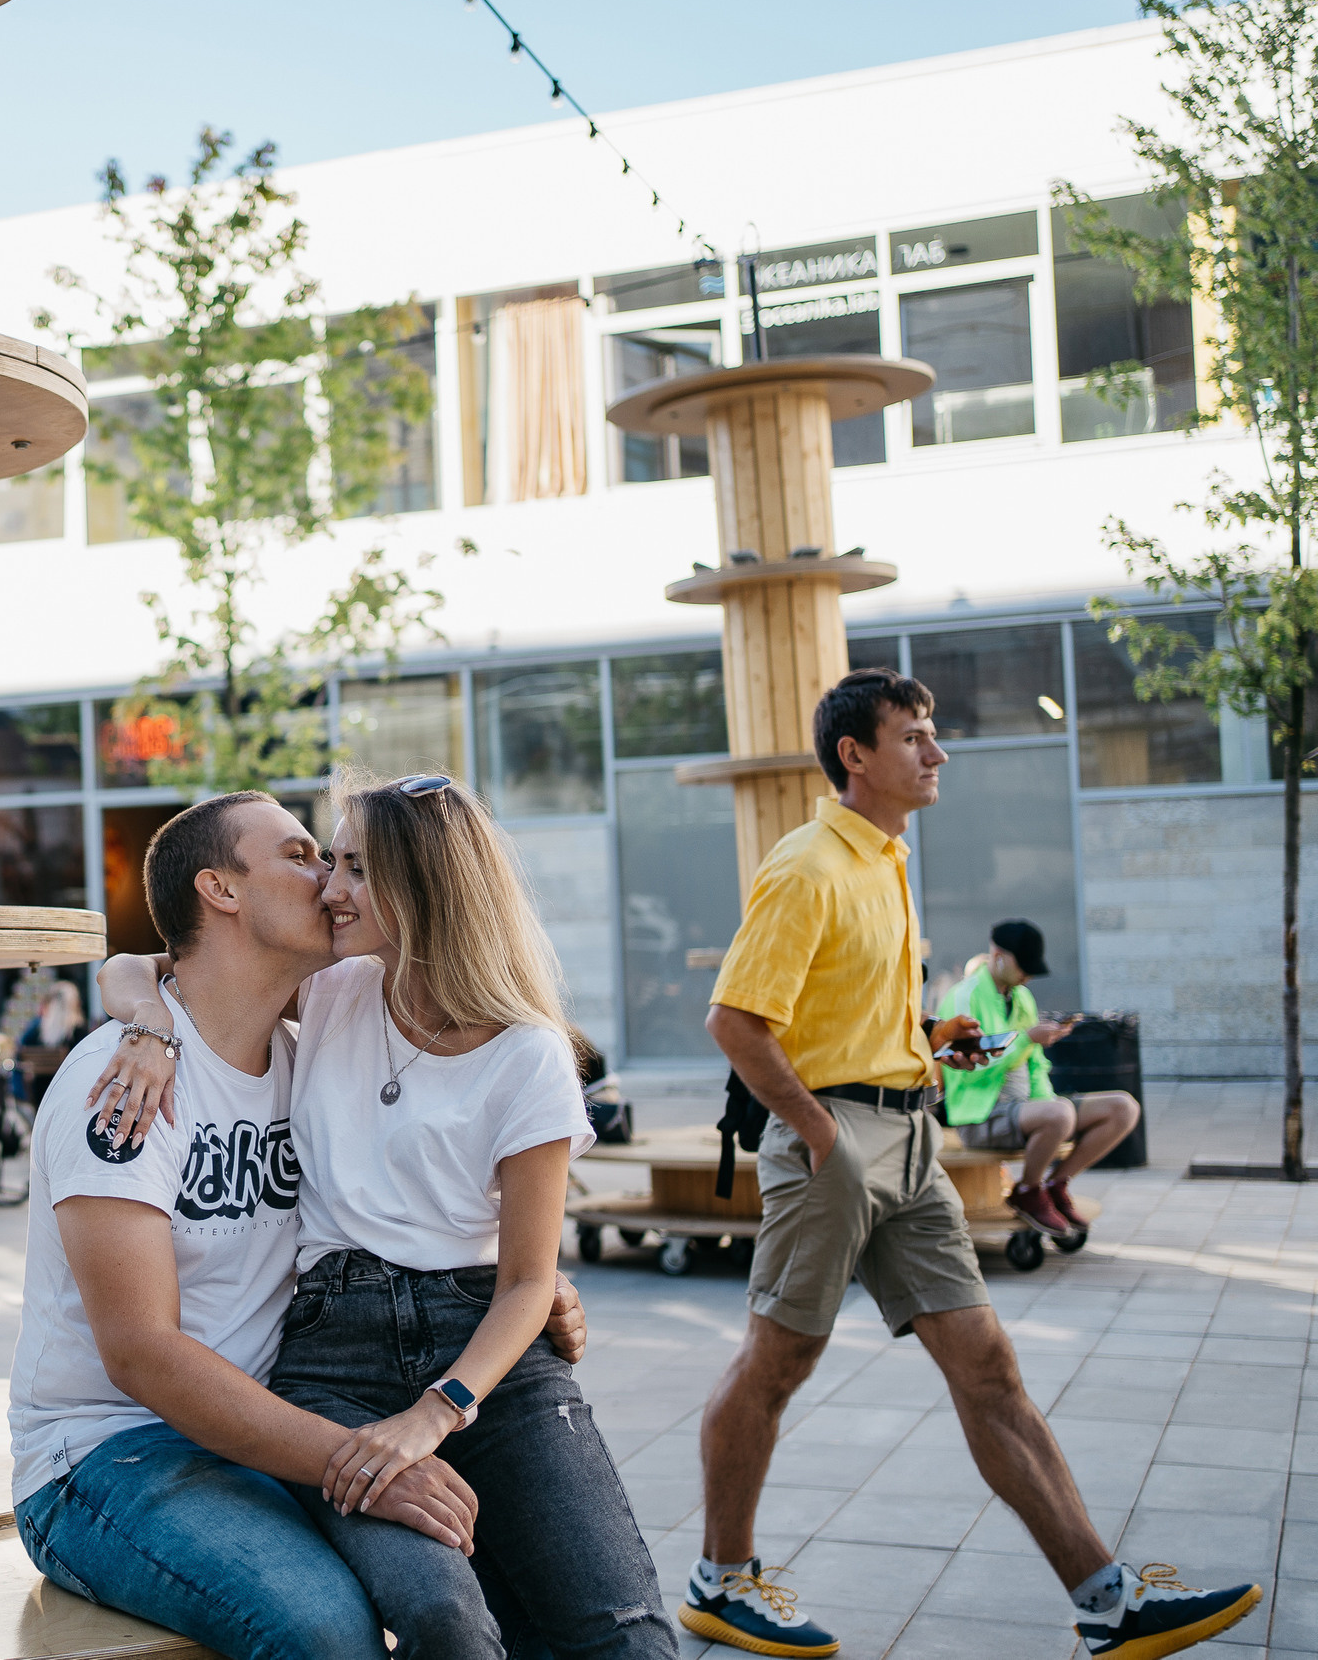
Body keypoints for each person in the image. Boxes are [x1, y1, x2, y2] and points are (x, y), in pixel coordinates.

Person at [692, 668, 1257, 1659]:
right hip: (835, 1143)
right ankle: (720, 1582)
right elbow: (735, 1021)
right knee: (777, 1361)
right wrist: (821, 1135)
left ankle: (1107, 1602)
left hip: (911, 1140)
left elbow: (841, 1013)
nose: (937, 751)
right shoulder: (808, 864)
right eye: (914, 735)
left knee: (989, 1367)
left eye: (933, 732)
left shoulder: (886, 860)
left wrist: (925, 1040)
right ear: (855, 755)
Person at [87, 775, 674, 1659]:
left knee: (625, 1635)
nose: (331, 887)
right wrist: (148, 1023)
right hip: (333, 1359)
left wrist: (438, 1410)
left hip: (490, 1363)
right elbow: (142, 963)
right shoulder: (334, 992)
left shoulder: (531, 1054)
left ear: (423, 881)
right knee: (443, 1618)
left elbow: (527, 1281)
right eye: (329, 861)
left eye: (355, 867)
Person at [936, 920, 1139, 1238]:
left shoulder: (1022, 997)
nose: (1028, 976)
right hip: (980, 1114)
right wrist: (1027, 1038)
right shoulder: (964, 997)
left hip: (1026, 1108)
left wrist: (1046, 1103)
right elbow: (970, 1066)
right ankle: (1028, 1191)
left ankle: (1055, 1185)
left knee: (1122, 1108)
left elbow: (1036, 1065)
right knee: (1059, 1113)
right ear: (998, 956)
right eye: (1024, 967)